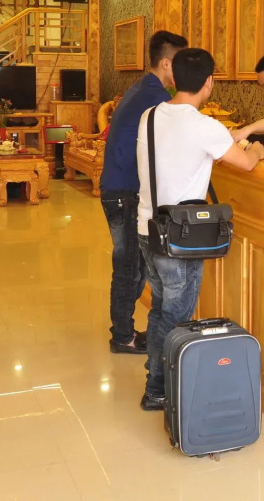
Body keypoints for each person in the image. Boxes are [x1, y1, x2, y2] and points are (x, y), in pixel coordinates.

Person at [136, 48, 264, 411]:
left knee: (160, 308)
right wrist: (258, 150)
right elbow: (245, 163)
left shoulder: (150, 116)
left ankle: (156, 378)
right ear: (209, 83)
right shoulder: (205, 127)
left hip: (148, 228)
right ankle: (158, 389)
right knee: (175, 316)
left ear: (174, 79)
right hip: (180, 238)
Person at [100, 30, 188, 355]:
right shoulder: (156, 98)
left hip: (119, 188)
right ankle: (122, 337)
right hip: (125, 192)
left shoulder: (143, 89)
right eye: (180, 63)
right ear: (166, 63)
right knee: (129, 268)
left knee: (131, 267)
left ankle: (123, 332)